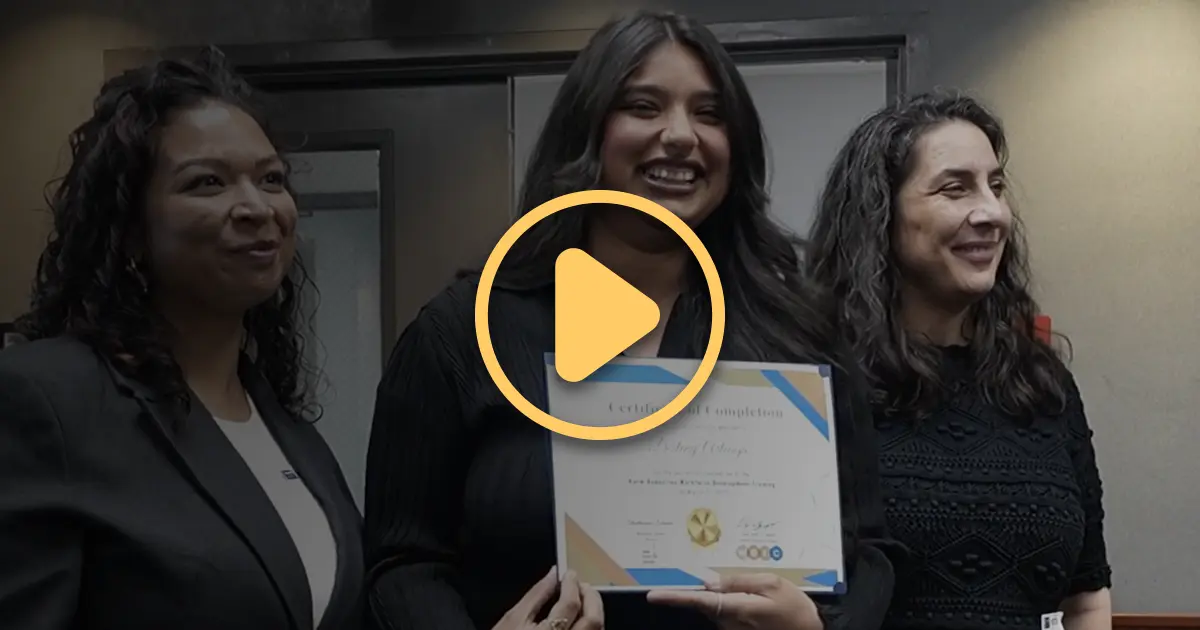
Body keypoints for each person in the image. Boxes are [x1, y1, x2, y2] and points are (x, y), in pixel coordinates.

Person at [363, 10, 901, 630]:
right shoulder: (463, 332)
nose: (680, 135)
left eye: (709, 113)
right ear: (586, 132)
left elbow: (868, 555)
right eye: (643, 107)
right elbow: (401, 561)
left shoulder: (802, 334)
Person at [0, 48, 364, 630]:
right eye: (208, 183)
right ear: (132, 230)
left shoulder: (287, 431)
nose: (256, 207)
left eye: (271, 179)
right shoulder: (46, 401)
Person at [804, 91, 1113, 629]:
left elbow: (1085, 597)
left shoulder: (1043, 386)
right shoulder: (817, 384)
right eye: (955, 189)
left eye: (996, 187)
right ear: (882, 214)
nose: (992, 213)